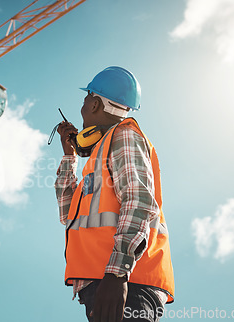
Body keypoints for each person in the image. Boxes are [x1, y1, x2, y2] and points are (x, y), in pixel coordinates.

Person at [55, 66, 174, 322]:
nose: (83, 105)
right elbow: (68, 215)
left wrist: (117, 273)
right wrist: (69, 157)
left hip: (124, 282)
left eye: (86, 98)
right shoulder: (99, 158)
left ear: (96, 104)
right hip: (105, 282)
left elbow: (139, 201)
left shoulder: (124, 136)